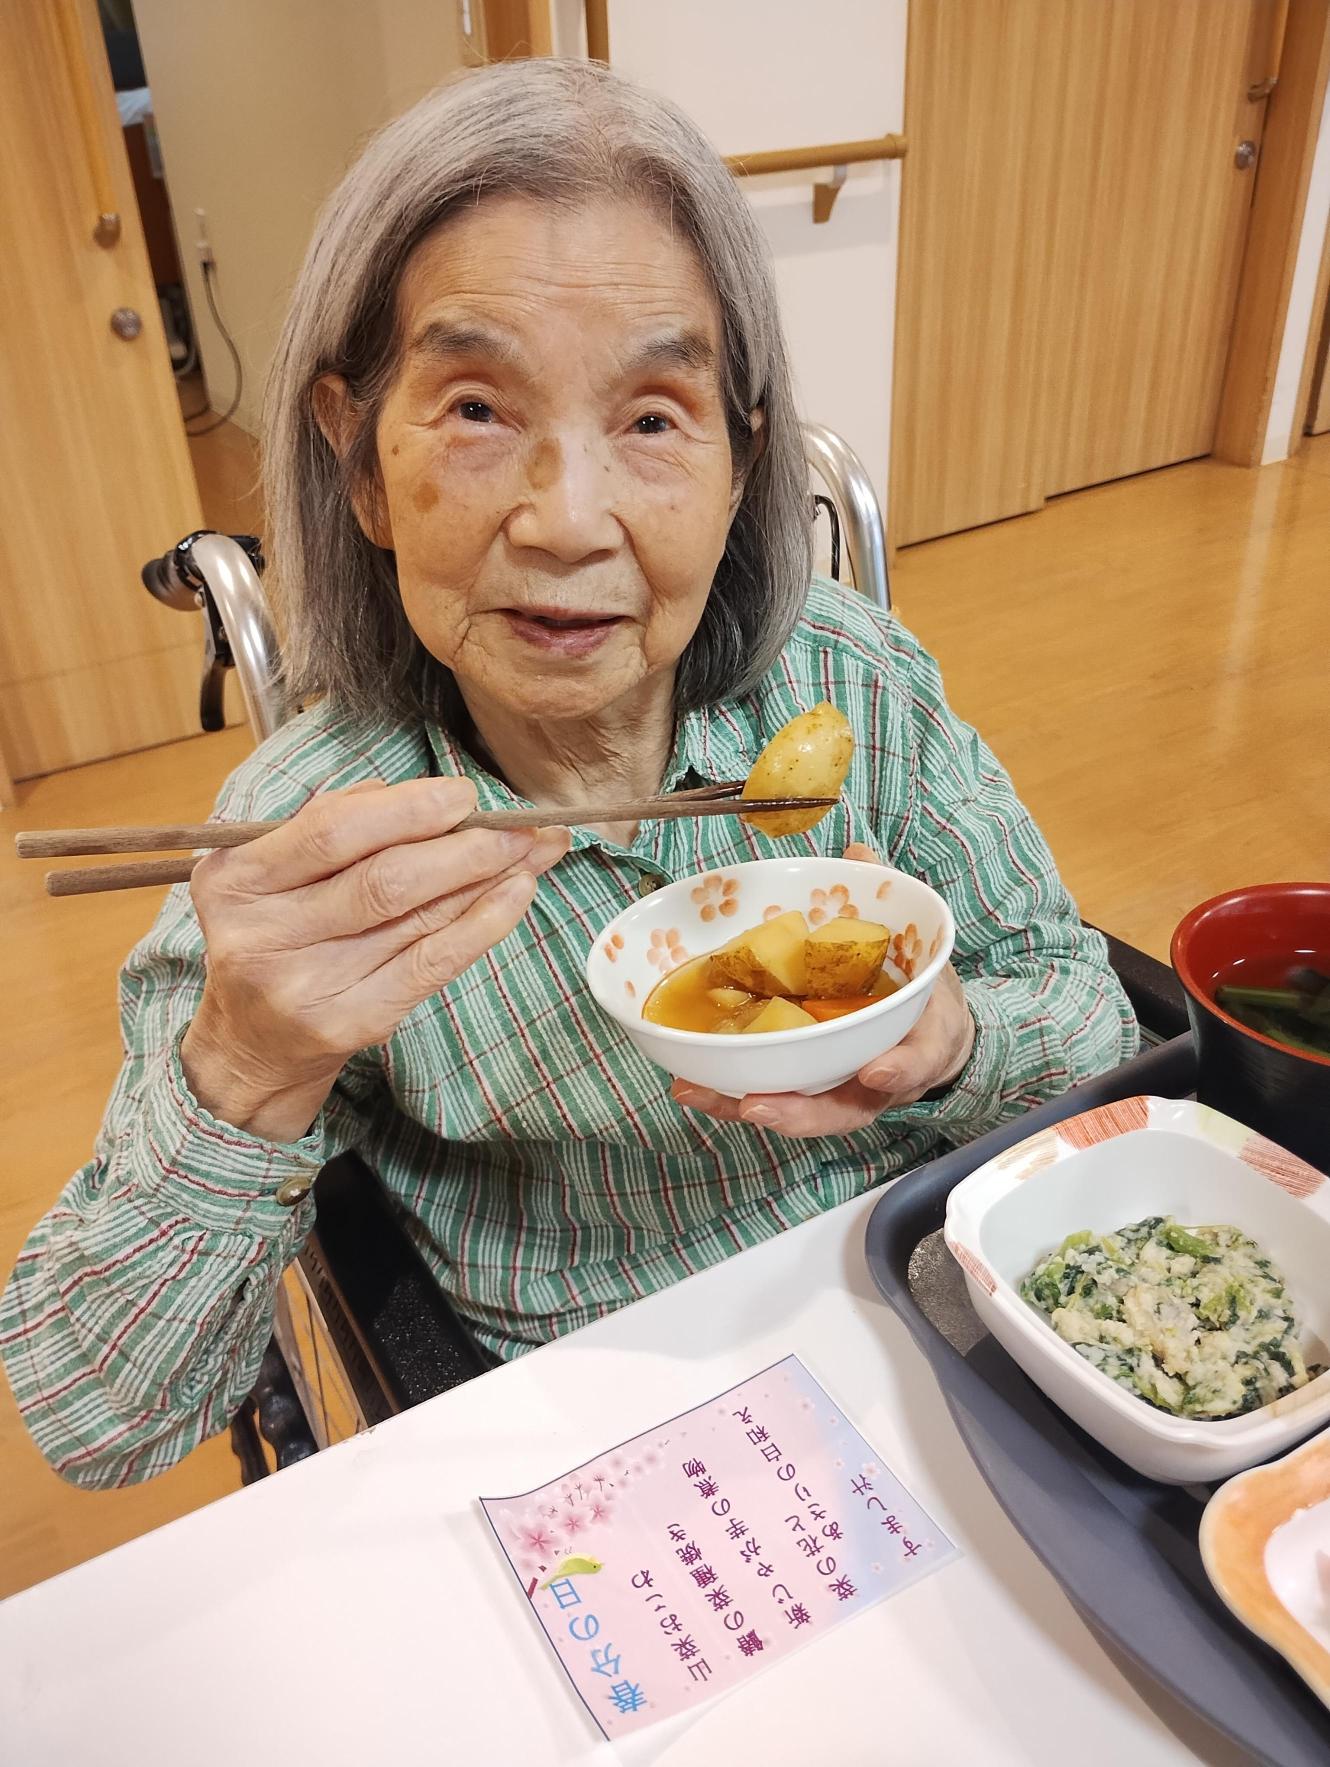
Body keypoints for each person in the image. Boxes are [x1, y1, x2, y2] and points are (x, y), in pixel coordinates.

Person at [0, 59, 1136, 1488]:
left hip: (927, 1318)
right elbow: (98, 1422)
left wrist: (955, 1046)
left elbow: (1094, 1026)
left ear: (741, 465)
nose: (568, 521)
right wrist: (248, 1066)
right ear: (358, 462)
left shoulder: (852, 683)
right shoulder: (306, 843)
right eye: (478, 408)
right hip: (604, 1437)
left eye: (653, 419)